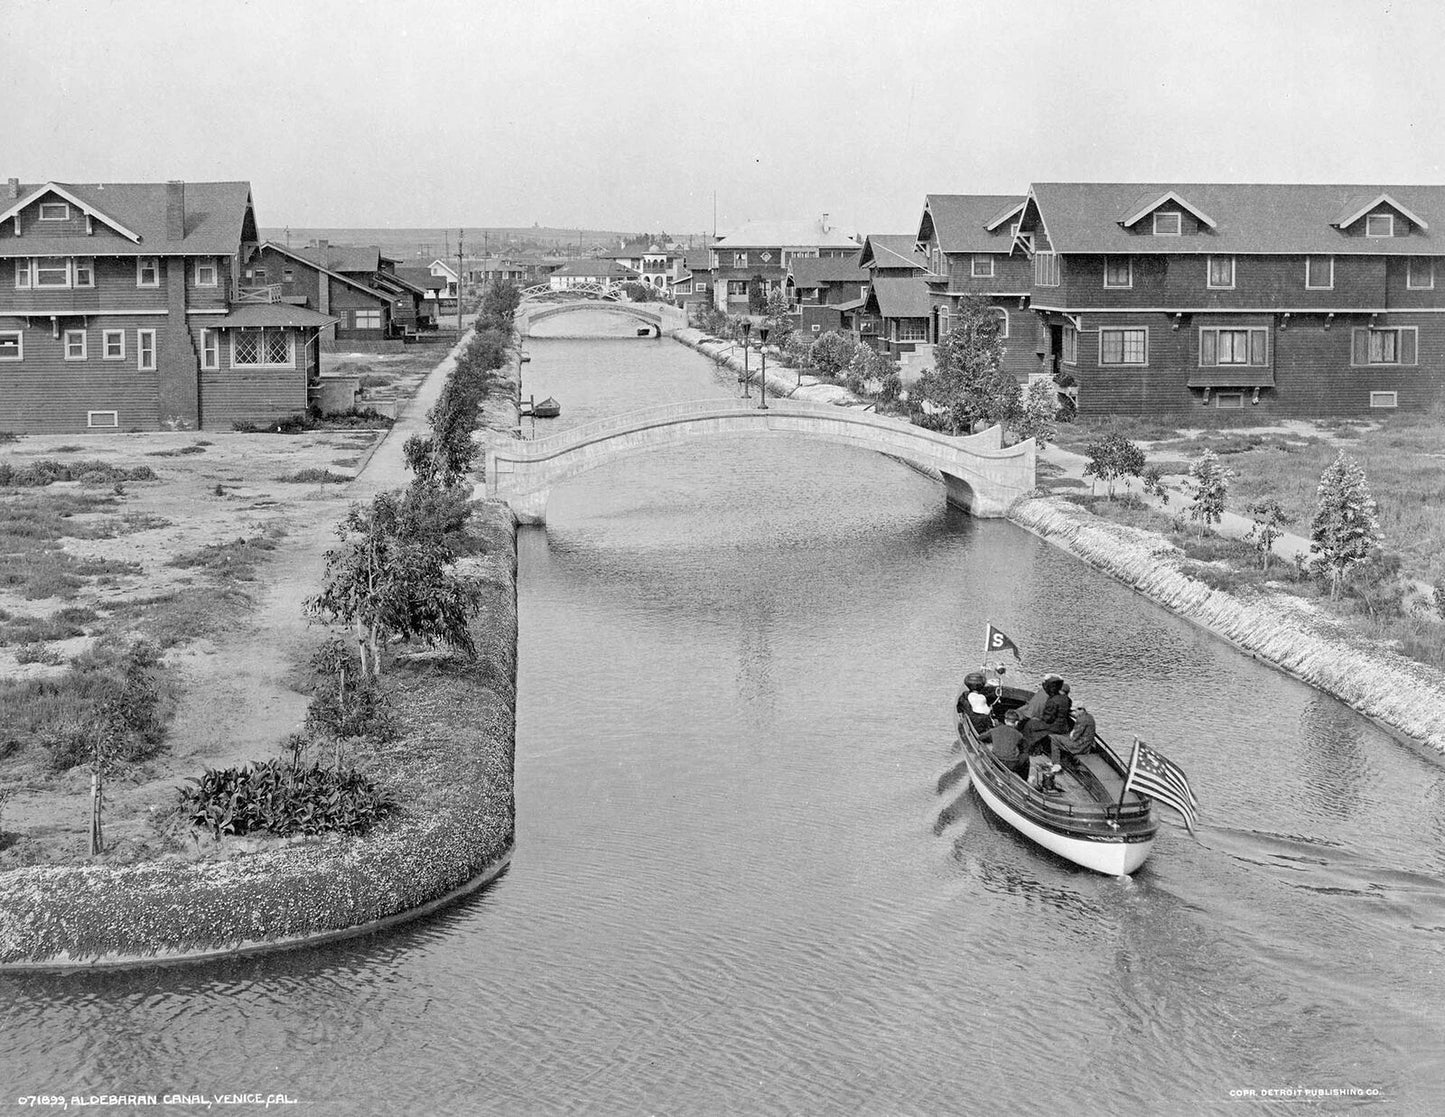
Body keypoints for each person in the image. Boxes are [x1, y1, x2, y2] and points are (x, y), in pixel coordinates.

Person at [981, 708, 1029, 780]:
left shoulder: (995, 730)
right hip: (1011, 764)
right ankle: (1024, 780)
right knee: (1026, 757)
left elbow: (981, 737)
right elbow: (1025, 748)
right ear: (1016, 723)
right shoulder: (1019, 735)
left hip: (996, 761)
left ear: (1005, 721)